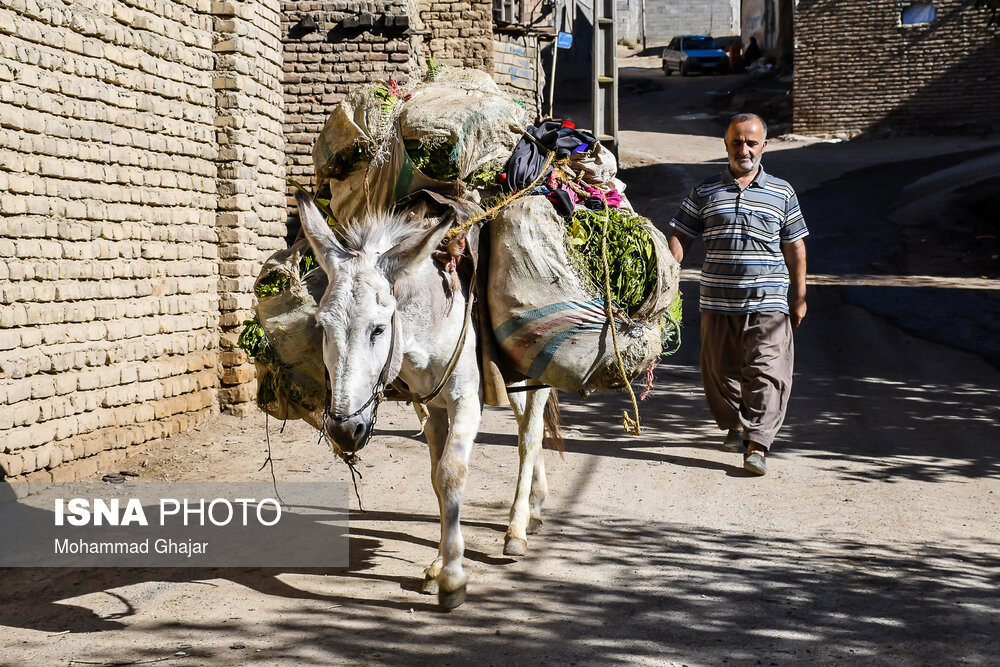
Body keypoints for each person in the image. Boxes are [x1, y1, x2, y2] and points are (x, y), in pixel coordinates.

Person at [667, 113, 807, 476]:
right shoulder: (705, 191)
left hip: (769, 300)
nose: (743, 149)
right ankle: (737, 425)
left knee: (769, 370)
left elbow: (794, 245)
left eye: (751, 143)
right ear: (726, 144)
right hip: (716, 299)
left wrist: (800, 294)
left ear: (764, 145)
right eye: (736, 142)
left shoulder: (782, 191)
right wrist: (669, 270)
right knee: (720, 372)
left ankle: (758, 444)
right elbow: (681, 234)